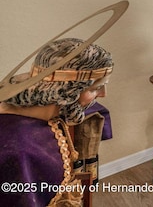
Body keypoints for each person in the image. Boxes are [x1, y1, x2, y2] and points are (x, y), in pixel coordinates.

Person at [0, 37, 114, 207]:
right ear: (67, 90)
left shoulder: (51, 115)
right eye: (95, 88)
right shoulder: (19, 151)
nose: (103, 94)